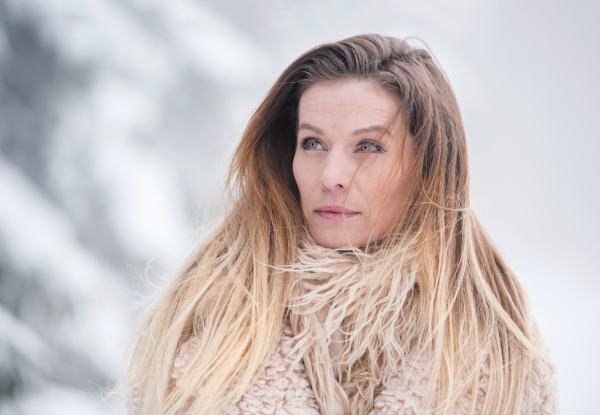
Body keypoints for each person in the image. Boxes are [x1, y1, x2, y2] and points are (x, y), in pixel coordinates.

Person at [123, 35, 558, 415]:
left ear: (427, 166)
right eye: (312, 143)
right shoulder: (201, 321)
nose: (331, 175)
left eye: (367, 146)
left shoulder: (500, 351)